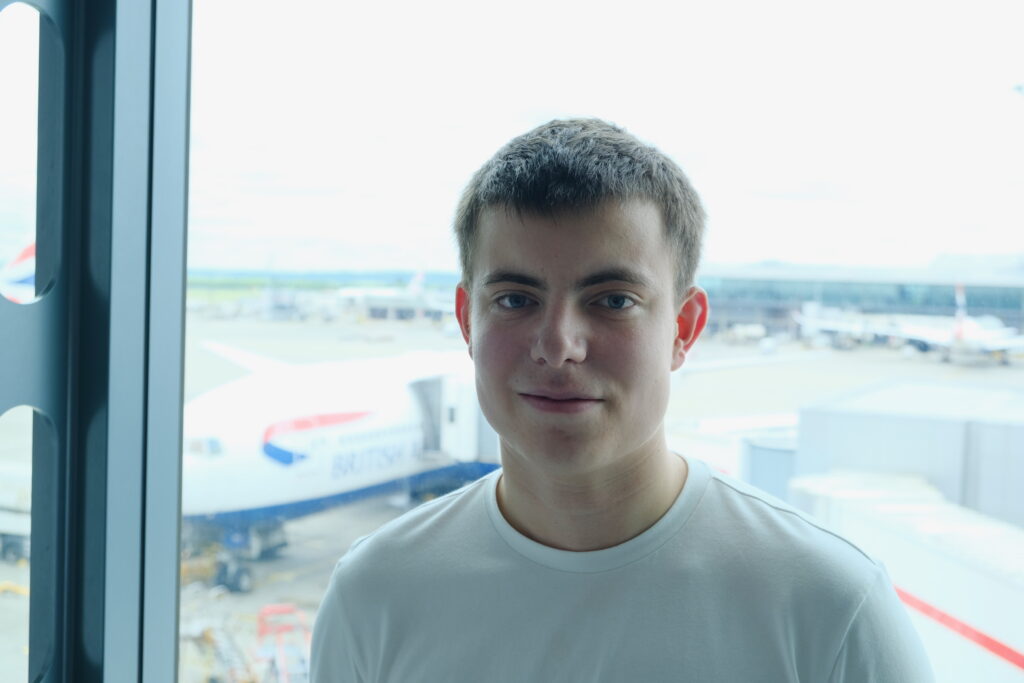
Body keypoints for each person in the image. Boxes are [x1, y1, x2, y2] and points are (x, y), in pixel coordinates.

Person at [310, 119, 934, 682]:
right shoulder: (375, 595)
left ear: (684, 329)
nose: (558, 346)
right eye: (515, 300)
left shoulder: (828, 604)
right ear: (467, 321)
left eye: (613, 300)